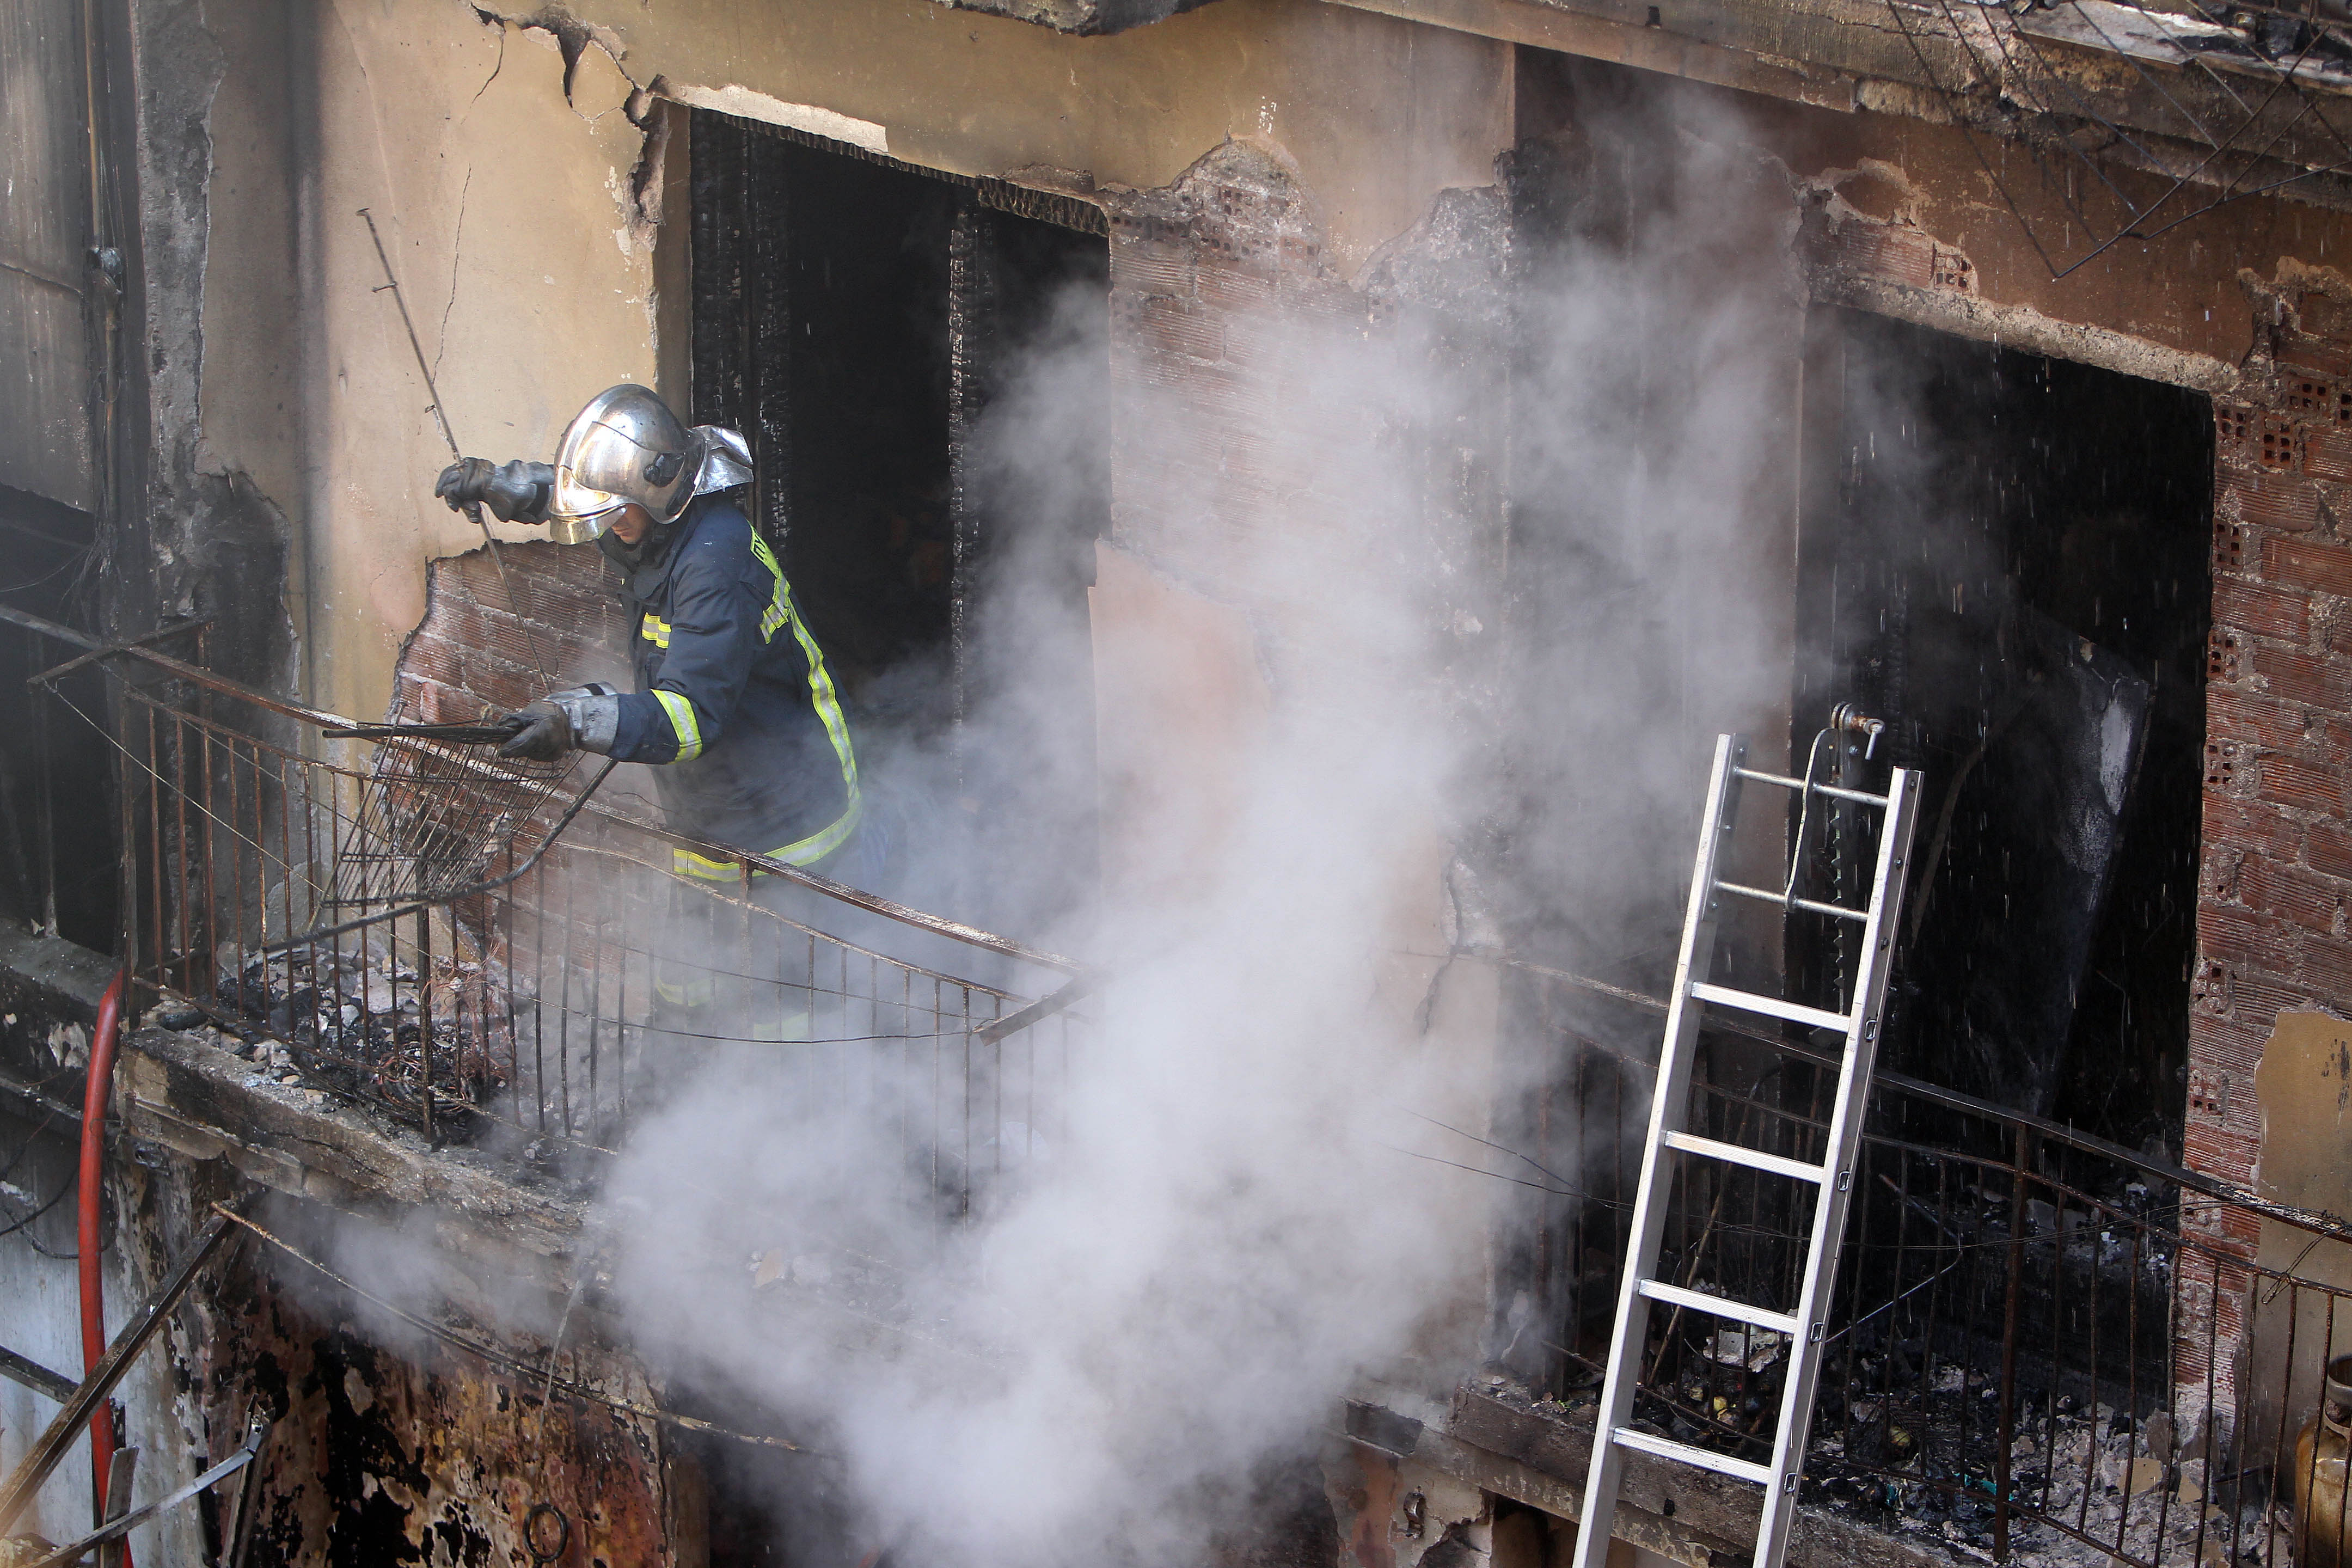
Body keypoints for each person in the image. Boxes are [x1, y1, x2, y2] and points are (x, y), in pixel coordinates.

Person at [436, 385, 872, 1036]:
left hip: (787, 808)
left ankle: (796, 1108)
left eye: (620, 511)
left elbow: (690, 718)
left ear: (660, 492)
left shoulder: (715, 563)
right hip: (706, 806)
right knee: (687, 974)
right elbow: (586, 496)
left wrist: (576, 720)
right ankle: (679, 1074)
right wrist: (506, 487)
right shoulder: (655, 523)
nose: (610, 525)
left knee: (793, 996)